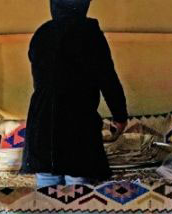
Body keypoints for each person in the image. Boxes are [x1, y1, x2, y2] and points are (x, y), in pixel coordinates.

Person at [21, 0, 129, 188]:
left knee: (48, 200)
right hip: (77, 125)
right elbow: (108, 79)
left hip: (41, 126)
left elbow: (42, 82)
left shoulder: (42, 34)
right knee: (79, 194)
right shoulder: (90, 35)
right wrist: (120, 116)